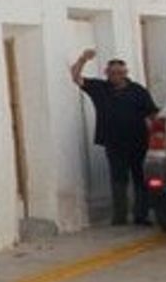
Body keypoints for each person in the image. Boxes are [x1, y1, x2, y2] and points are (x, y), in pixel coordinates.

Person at [69, 49, 161, 226]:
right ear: (106, 73)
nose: (116, 76)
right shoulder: (100, 88)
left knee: (140, 179)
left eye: (120, 73)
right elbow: (76, 78)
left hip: (138, 141)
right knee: (118, 179)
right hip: (113, 142)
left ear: (126, 74)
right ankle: (119, 217)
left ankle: (141, 215)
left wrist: (157, 136)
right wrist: (82, 59)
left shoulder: (138, 91)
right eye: (112, 73)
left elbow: (152, 114)